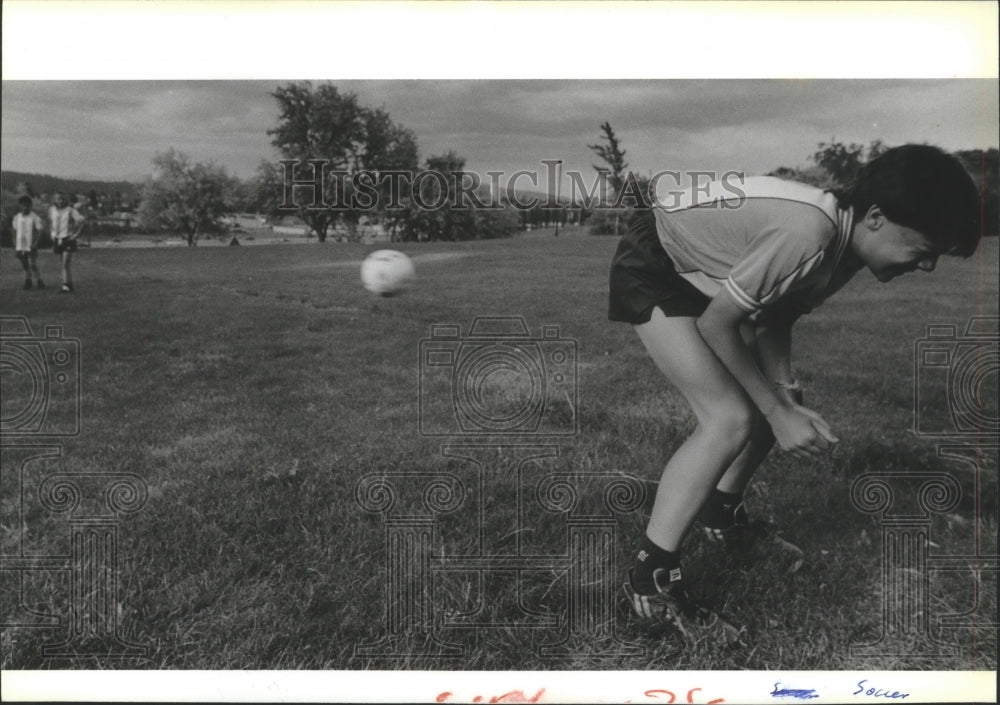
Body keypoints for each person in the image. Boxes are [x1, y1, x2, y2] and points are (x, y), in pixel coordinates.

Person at [608, 144, 980, 641]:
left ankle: (722, 517)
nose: (928, 266)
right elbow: (721, 323)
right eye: (925, 249)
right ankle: (650, 582)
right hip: (656, 263)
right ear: (875, 217)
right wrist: (773, 409)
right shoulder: (809, 232)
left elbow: (776, 313)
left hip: (703, 281)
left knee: (776, 405)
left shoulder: (842, 249)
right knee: (729, 419)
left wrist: (785, 395)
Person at [48, 192, 86, 293]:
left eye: (62, 198)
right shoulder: (52, 210)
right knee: (64, 264)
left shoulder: (70, 210)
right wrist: (52, 234)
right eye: (58, 198)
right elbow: (51, 223)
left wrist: (75, 235)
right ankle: (69, 284)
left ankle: (66, 285)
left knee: (65, 263)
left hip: (68, 239)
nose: (60, 201)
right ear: (55, 200)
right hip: (58, 238)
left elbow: (82, 221)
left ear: (65, 200)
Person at [12, 195, 46, 290]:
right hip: (20, 244)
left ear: (30, 206)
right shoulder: (17, 217)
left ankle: (39, 280)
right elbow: (14, 231)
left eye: (27, 205)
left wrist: (36, 243)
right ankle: (28, 281)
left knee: (33, 264)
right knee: (24, 264)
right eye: (23, 205)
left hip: (31, 244)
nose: (25, 207)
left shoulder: (35, 217)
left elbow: (40, 231)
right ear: (20, 206)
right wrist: (14, 242)